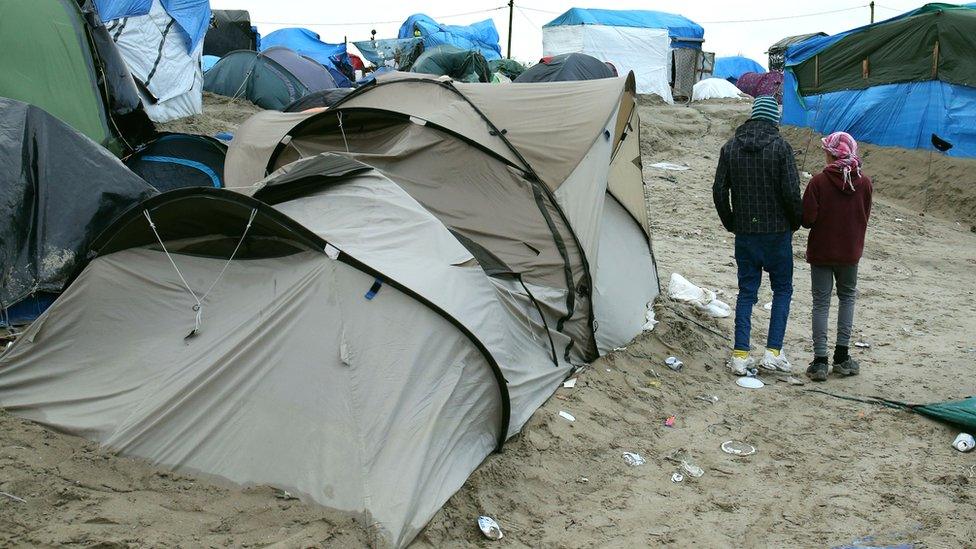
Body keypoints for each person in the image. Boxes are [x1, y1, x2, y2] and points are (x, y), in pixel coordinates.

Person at [713, 96, 802, 375]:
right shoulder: (781, 148)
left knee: (747, 293)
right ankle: (773, 351)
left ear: (752, 116)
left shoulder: (730, 148)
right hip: (777, 232)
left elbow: (718, 191)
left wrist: (731, 222)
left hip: (746, 234)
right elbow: (791, 192)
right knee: (782, 290)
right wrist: (795, 221)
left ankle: (740, 354)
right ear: (774, 119)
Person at [802, 132, 873, 381]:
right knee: (847, 299)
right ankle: (842, 357)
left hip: (822, 252)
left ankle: (820, 360)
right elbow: (864, 214)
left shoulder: (818, 182)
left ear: (831, 153)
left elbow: (807, 220)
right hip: (850, 252)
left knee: (821, 303)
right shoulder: (864, 183)